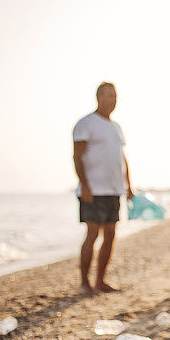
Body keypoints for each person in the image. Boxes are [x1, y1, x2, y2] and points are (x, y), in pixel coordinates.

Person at [72, 82, 133, 294]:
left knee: (110, 234)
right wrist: (85, 185)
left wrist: (129, 185)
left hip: (114, 189)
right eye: (108, 96)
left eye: (115, 96)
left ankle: (100, 280)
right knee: (92, 234)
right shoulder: (85, 124)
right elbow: (77, 156)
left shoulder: (116, 127)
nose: (112, 100)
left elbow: (122, 158)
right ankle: (84, 282)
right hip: (93, 190)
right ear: (98, 97)